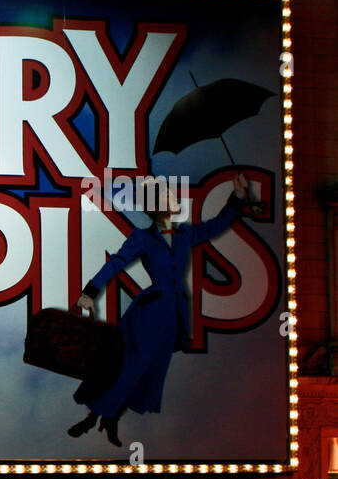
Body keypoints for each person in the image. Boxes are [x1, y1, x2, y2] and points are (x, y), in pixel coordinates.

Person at [71, 173, 255, 445]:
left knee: (151, 372)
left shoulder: (185, 234)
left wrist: (238, 196)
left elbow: (217, 225)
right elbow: (117, 263)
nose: (174, 197)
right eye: (167, 195)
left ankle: (111, 418)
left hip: (174, 314)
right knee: (132, 366)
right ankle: (93, 417)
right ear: (156, 205)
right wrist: (90, 293)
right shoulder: (142, 237)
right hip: (149, 314)